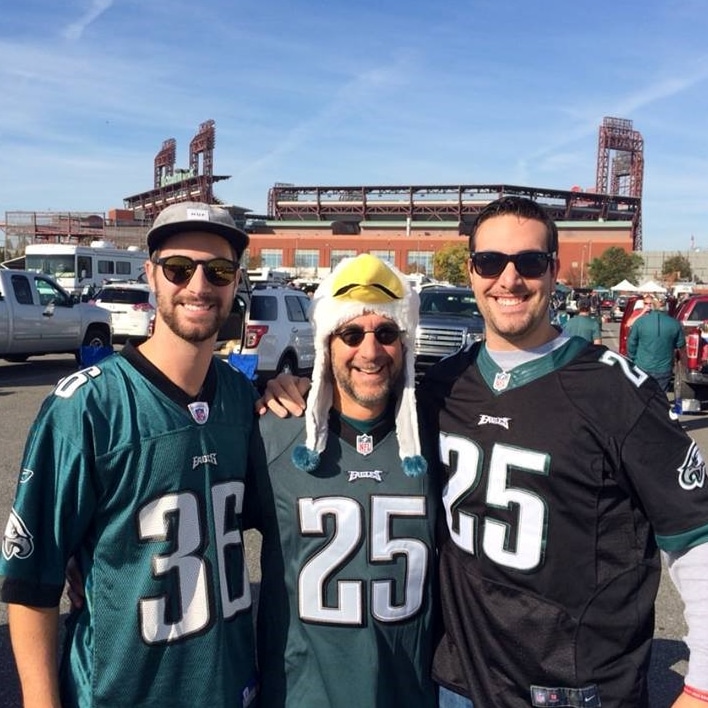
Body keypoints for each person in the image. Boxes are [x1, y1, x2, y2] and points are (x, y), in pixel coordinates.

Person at [418, 196, 708, 707]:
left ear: (553, 271)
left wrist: (701, 685)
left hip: (572, 689)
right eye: (490, 262)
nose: (508, 280)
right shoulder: (445, 383)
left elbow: (695, 538)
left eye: (528, 262)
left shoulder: (616, 390)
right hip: (460, 681)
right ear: (470, 272)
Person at [0, 202, 260, 707]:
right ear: (151, 275)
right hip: (120, 691)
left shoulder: (244, 400)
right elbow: (32, 581)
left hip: (226, 690)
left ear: (235, 282)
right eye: (179, 269)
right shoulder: (87, 407)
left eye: (219, 270)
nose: (199, 286)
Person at [247, 253, 438, 706]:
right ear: (327, 343)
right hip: (299, 694)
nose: (369, 352)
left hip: (406, 694)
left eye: (386, 333)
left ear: (404, 344)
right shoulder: (272, 432)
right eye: (351, 333)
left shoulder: (440, 437)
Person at [627, 294, 686, 392]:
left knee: (642, 395)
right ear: (666, 307)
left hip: (642, 366)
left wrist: (633, 360)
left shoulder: (640, 322)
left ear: (652, 306)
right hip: (664, 369)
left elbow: (631, 344)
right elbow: (680, 346)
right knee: (660, 398)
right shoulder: (675, 324)